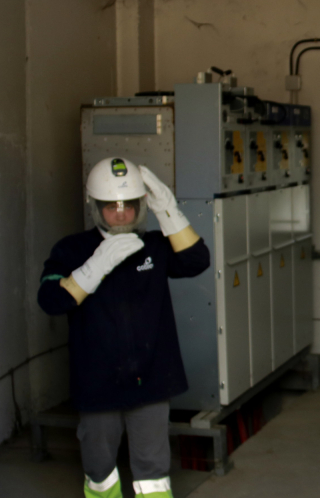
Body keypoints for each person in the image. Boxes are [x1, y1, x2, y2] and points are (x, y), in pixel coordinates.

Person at [38, 158, 210, 498]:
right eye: (111, 207)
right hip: (97, 379)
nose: (120, 214)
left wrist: (169, 211)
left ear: (140, 206)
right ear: (95, 207)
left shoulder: (156, 246)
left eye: (129, 206)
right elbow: (50, 300)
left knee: (152, 469)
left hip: (152, 377)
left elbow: (196, 261)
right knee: (99, 466)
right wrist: (93, 268)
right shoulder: (72, 249)